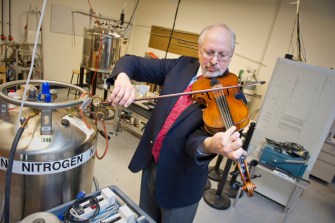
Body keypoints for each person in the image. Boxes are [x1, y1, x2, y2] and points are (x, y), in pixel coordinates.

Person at [107, 23, 247, 223]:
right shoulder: (181, 66)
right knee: (145, 218)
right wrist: (122, 78)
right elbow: (131, 62)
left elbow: (196, 141)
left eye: (223, 55)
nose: (215, 61)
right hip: (151, 164)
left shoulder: (233, 100)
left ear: (231, 55)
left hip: (182, 182)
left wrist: (210, 145)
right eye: (209, 52)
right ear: (199, 50)